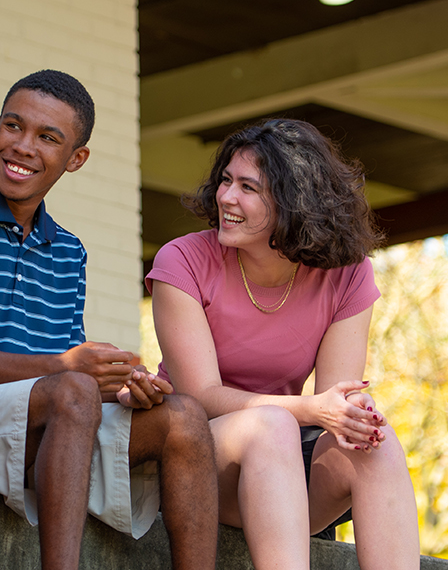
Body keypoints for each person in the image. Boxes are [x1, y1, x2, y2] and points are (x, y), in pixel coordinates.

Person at [0, 69, 219, 570]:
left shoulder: (68, 251)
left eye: (48, 138)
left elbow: (68, 383)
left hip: (37, 433)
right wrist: (67, 368)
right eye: (12, 126)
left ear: (75, 159)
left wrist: (121, 386)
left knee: (186, 418)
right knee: (73, 390)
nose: (22, 146)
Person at [146, 119, 420, 569]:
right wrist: (309, 411)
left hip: (283, 473)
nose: (226, 197)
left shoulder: (347, 273)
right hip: (192, 462)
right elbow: (200, 397)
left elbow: (338, 401)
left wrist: (349, 415)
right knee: (271, 427)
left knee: (375, 441)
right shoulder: (183, 261)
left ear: (294, 201)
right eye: (226, 181)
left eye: (248, 187)